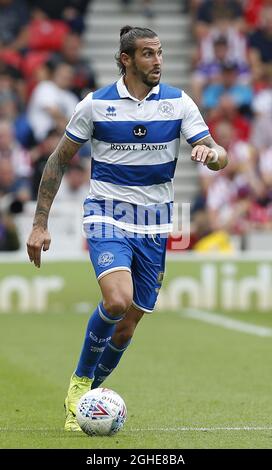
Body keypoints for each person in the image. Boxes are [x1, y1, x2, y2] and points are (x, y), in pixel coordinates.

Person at [26, 25, 228, 431]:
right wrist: (39, 223)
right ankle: (80, 385)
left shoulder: (178, 102)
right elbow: (58, 159)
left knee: (127, 326)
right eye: (148, 54)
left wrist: (211, 154)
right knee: (117, 301)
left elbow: (220, 154)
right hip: (107, 214)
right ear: (126, 59)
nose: (158, 61)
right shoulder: (96, 105)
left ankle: (85, 402)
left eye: (160, 52)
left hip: (155, 223)